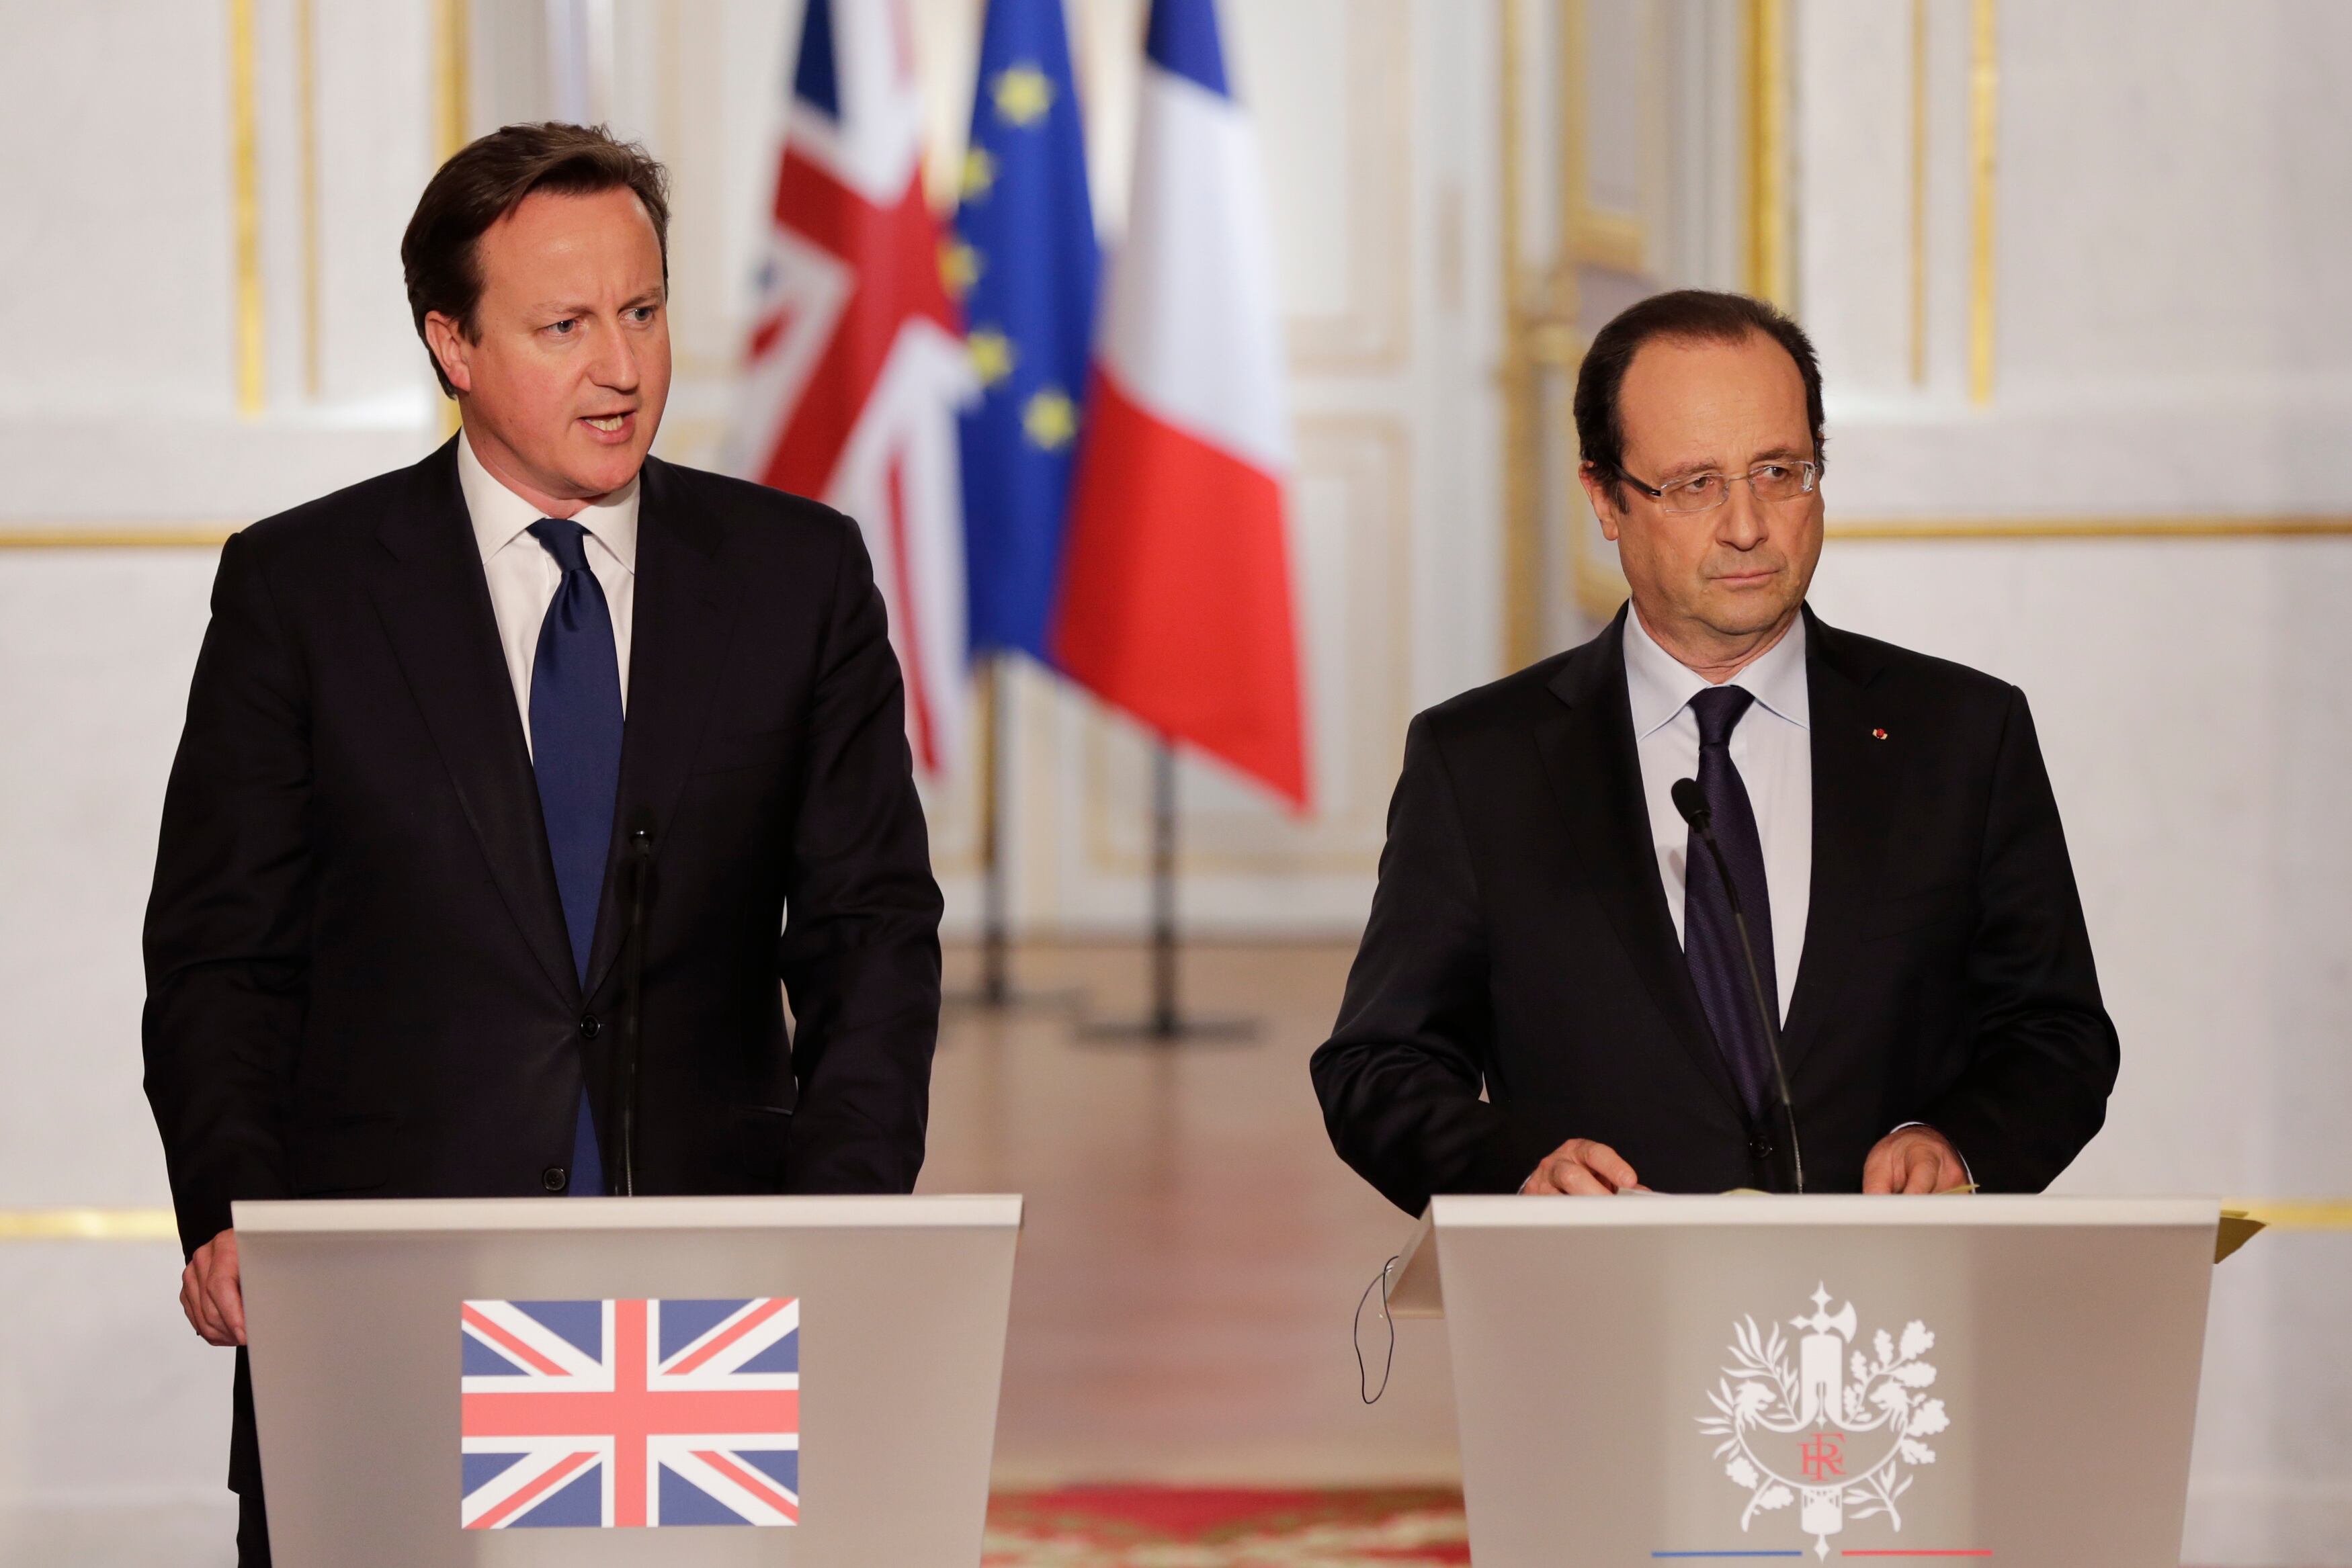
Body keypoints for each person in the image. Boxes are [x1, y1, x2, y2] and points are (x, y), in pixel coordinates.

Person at [141, 124, 942, 1563]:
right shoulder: (304, 592)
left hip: (710, 1296)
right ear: (452, 343)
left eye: (642, 311)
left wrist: (843, 1227)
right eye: (564, 325)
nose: (622, 367)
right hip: (393, 1291)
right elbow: (220, 953)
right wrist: (230, 1204)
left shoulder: (794, 577)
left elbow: (868, 932)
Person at [1311, 289, 2117, 1212]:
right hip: (1606, 1316)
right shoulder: (1480, 763)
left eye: (1779, 471)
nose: (1747, 525)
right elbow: (1376, 1065)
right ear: (1605, 498)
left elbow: (2057, 1034)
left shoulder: (1965, 735)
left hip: (1887, 1322)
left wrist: (1956, 1141)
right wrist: (1516, 1167)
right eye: (1695, 484)